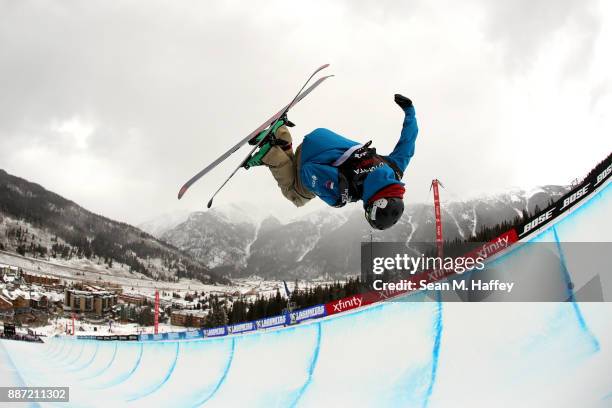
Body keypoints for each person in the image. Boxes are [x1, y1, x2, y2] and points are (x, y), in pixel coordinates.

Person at [260, 94, 418, 230]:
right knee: (298, 196)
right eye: (370, 212)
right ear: (378, 203)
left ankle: (281, 137)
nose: (367, 210)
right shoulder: (346, 190)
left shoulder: (394, 171)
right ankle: (269, 153)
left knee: (302, 182)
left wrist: (409, 111)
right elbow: (309, 171)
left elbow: (408, 144)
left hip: (324, 138)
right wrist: (334, 198)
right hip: (312, 153)